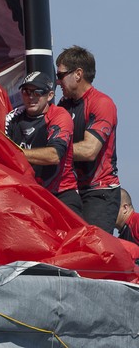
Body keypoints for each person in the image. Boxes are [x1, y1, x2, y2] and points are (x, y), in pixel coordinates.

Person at [56, 46, 120, 233]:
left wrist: (52, 151)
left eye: (60, 76)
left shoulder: (102, 103)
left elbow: (89, 151)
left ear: (78, 74)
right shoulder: (63, 105)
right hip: (71, 191)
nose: (57, 82)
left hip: (99, 192)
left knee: (92, 252)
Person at [5, 71, 82, 215]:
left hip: (61, 193)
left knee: (77, 236)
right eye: (26, 91)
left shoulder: (59, 116)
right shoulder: (12, 118)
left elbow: (53, 156)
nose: (31, 97)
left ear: (50, 95)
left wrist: (14, 152)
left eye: (37, 92)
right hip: (29, 194)